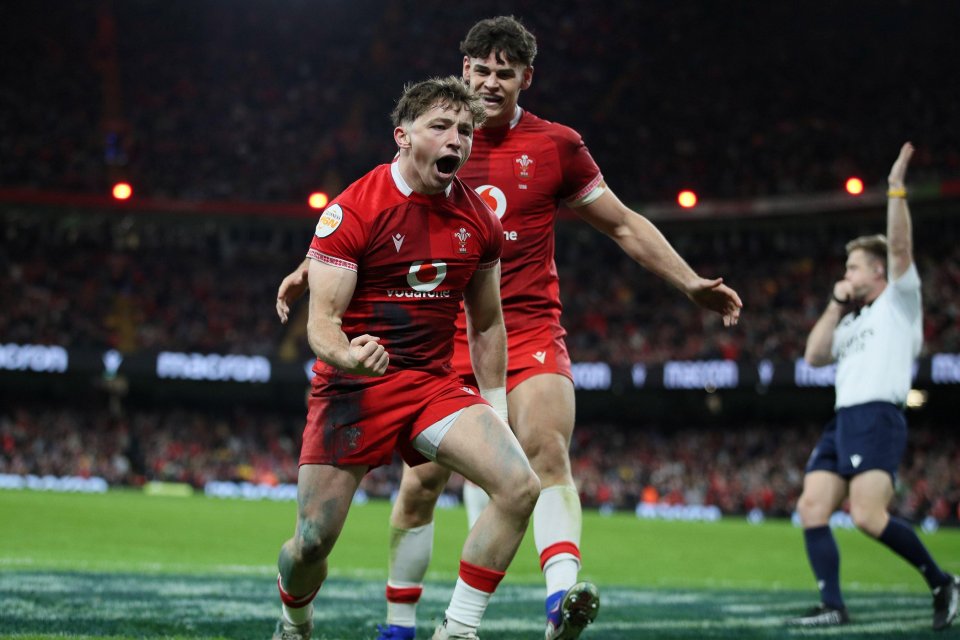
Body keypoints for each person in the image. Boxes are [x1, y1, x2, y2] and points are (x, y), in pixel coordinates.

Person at [277, 16, 742, 640]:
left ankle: (533, 608)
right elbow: (369, 225)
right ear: (457, 77)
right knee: (345, 526)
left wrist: (687, 280)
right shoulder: (399, 166)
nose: (488, 88)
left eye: (505, 73)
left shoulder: (550, 151)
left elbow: (623, 224)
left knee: (537, 463)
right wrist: (317, 263)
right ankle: (375, 624)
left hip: (502, 334)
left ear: (526, 79)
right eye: (480, 72)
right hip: (395, 356)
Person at [272, 75, 541, 640]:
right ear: (403, 136)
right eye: (441, 127)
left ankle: (457, 630)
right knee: (313, 542)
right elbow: (321, 324)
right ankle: (295, 621)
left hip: (429, 384)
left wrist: (494, 406)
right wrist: (348, 356)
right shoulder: (353, 210)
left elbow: (488, 322)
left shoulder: (480, 221)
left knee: (520, 487)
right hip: (353, 388)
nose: (457, 140)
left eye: (465, 131)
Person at [789, 142, 959, 630]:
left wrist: (896, 188)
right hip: (844, 419)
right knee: (812, 506)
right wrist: (836, 302)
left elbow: (901, 247)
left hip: (877, 415)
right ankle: (833, 606)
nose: (847, 275)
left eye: (853, 268)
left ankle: (942, 580)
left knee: (867, 515)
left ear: (878, 272)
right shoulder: (851, 319)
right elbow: (814, 354)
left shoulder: (899, 302)